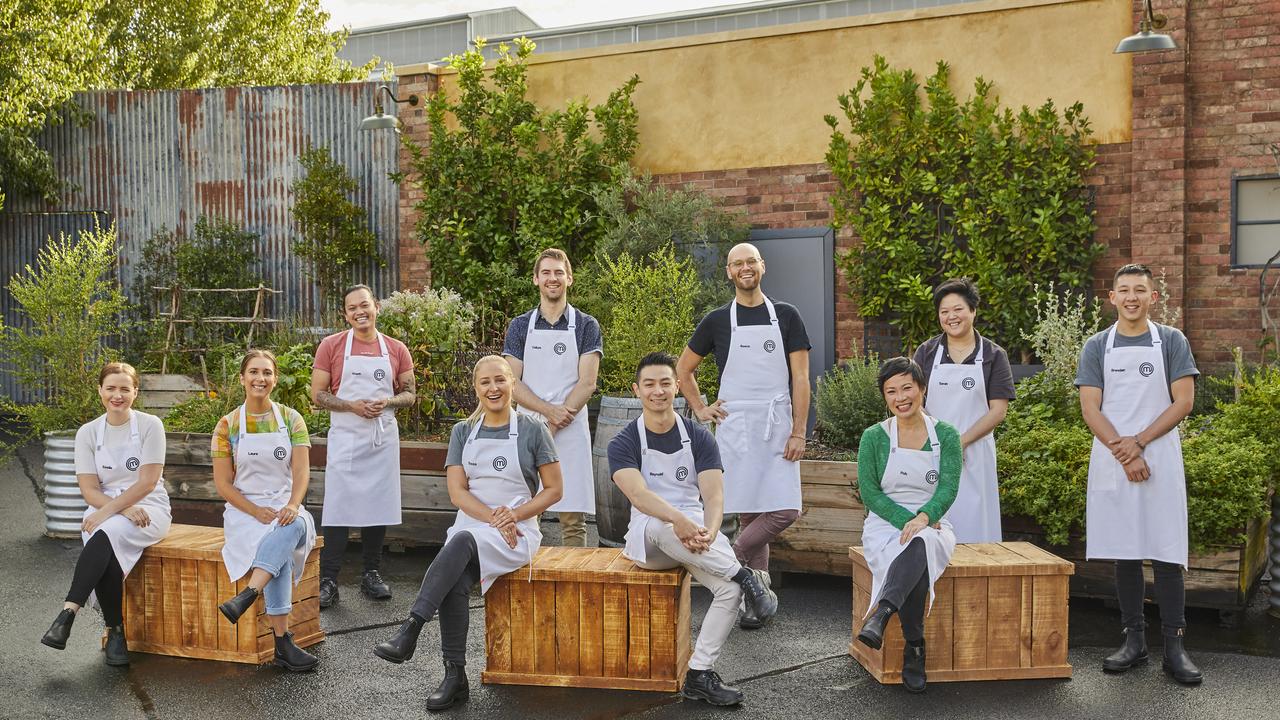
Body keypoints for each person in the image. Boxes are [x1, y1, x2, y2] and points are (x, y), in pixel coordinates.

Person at [373, 355, 562, 710]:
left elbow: (554, 490)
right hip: (479, 523)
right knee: (456, 580)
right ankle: (455, 676)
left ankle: (410, 630)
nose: (493, 388)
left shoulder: (534, 430)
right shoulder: (463, 431)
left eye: (500, 380)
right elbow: (458, 492)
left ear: (512, 384)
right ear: (475, 388)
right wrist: (495, 518)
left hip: (518, 532)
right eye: (485, 382)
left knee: (460, 541)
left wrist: (513, 517)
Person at [610, 352, 778, 707]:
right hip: (652, 542)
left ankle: (700, 674)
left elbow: (714, 496)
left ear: (677, 387)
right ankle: (747, 576)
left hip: (698, 538)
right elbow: (639, 496)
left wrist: (713, 530)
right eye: (650, 384)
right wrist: (678, 520)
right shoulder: (624, 442)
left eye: (666, 383)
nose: (658, 391)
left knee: (728, 593)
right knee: (659, 522)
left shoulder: (699, 437)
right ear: (637, 390)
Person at [1075, 263, 1202, 685]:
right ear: (1112, 298)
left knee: (1166, 551)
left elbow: (1182, 402)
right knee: (1125, 550)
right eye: (1124, 290)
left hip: (1160, 456)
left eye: (1140, 290)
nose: (1132, 297)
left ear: (1153, 297)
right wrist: (1125, 452)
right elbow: (1091, 408)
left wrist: (1140, 442)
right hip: (1114, 459)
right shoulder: (1097, 345)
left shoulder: (1171, 341)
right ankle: (1134, 640)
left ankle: (1175, 645)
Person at [676, 242, 811, 629]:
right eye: (737, 263)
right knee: (752, 510)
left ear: (762, 266)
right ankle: (757, 599)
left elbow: (800, 378)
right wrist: (701, 408)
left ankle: (733, 561)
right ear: (729, 273)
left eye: (751, 261)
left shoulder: (786, 316)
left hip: (777, 425)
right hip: (735, 426)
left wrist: (799, 431)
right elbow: (683, 370)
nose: (745, 268)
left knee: (784, 508)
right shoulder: (717, 320)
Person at [41, 362, 172, 666]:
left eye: (125, 389)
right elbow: (89, 490)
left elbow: (148, 481)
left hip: (149, 508)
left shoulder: (151, 426)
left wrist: (116, 511)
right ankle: (115, 633)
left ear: (135, 392)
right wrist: (118, 509)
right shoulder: (88, 433)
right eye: (111, 388)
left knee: (103, 533)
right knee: (106, 539)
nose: (117, 395)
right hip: (105, 507)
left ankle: (68, 613)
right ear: (100, 390)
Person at [854, 357, 960, 694]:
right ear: (884, 397)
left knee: (923, 543)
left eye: (907, 388)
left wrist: (924, 518)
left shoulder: (946, 435)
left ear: (922, 388)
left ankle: (882, 613)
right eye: (891, 391)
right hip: (885, 523)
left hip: (933, 519)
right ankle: (915, 648)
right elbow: (869, 491)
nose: (901, 397)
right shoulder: (874, 437)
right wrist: (906, 521)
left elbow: (948, 487)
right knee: (916, 548)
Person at [213, 350, 320, 671]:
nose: (261, 379)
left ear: (274, 378)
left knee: (294, 525)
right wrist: (254, 510)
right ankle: (282, 642)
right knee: (280, 549)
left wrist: (292, 503)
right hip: (244, 509)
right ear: (243, 378)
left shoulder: (291, 419)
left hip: (286, 502)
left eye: (267, 373)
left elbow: (301, 473)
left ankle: (247, 594)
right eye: (254, 372)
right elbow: (223, 485)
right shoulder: (227, 425)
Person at [311, 284, 417, 608]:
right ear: (345, 314)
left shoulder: (396, 349)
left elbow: (410, 393)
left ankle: (371, 574)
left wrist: (388, 400)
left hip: (382, 437)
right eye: (352, 308)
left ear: (377, 307)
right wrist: (351, 405)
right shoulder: (330, 346)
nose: (360, 312)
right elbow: (318, 394)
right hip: (346, 436)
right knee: (338, 507)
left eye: (365, 305)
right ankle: (328, 580)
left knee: (377, 504)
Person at [502, 248, 602, 547]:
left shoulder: (587, 325)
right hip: (529, 427)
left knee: (573, 518)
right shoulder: (520, 326)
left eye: (559, 272)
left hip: (570, 429)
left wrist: (559, 419)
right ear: (535, 280)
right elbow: (512, 382)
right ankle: (527, 580)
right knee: (525, 509)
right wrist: (547, 414)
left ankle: (576, 588)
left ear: (569, 278)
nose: (552, 278)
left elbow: (587, 382)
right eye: (546, 272)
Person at [911, 278, 1014, 543]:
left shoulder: (993, 354)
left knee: (977, 526)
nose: (951, 317)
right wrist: (939, 440)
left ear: (973, 311)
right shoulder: (927, 352)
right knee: (933, 525)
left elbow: (998, 411)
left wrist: (959, 443)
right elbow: (914, 402)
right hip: (933, 450)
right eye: (944, 312)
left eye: (958, 309)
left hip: (976, 453)